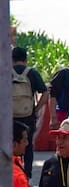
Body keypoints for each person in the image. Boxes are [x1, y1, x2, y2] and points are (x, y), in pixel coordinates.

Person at [12, 46, 49, 177]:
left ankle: (10, 173)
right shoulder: (31, 73)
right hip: (27, 117)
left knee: (8, 145)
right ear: (25, 59)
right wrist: (36, 109)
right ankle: (26, 175)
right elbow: (45, 93)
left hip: (10, 118)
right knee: (27, 146)